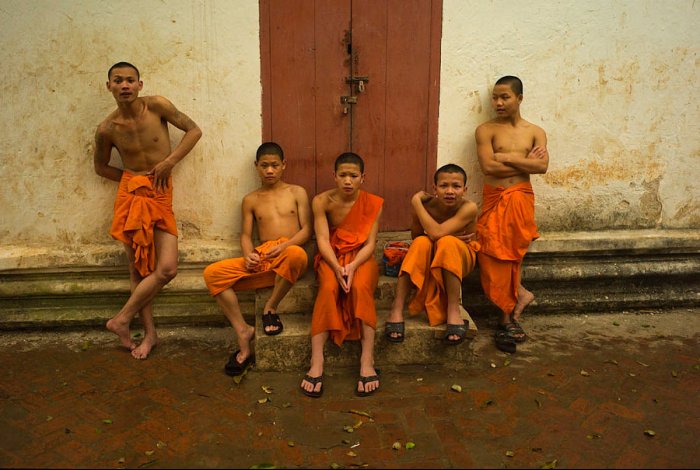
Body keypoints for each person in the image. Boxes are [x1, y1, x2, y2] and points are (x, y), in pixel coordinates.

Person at [94, 62, 202, 359]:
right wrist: (133, 181)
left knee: (166, 269)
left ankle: (122, 319)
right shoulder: (107, 129)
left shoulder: (157, 106)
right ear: (109, 87)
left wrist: (170, 162)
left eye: (130, 80)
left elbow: (194, 131)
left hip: (161, 191)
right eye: (118, 80)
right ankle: (150, 334)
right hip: (131, 194)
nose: (125, 85)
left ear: (140, 85)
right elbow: (100, 167)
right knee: (138, 269)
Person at [203, 142, 312, 376]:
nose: (270, 171)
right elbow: (245, 235)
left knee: (296, 254)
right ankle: (243, 331)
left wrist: (284, 245)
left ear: (284, 165)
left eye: (274, 165)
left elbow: (306, 231)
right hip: (264, 259)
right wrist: (249, 255)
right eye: (264, 166)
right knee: (212, 274)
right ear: (256, 167)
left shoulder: (297, 192)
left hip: (289, 256)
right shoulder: (251, 199)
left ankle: (270, 307)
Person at [300, 152, 384, 398]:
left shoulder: (373, 202)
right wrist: (337, 268)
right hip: (331, 255)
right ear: (334, 176)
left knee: (360, 288)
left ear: (363, 178)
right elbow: (323, 239)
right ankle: (317, 363)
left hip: (361, 257)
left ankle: (367, 362)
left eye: (353, 176)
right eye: (343, 175)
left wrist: (353, 265)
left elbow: (370, 244)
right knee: (327, 288)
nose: (348, 180)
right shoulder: (321, 201)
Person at [474, 75, 549, 351]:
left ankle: (506, 319)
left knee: (511, 256)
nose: (498, 102)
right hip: (495, 198)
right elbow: (488, 168)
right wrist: (523, 162)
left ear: (519, 98)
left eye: (504, 97)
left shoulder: (535, 132)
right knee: (489, 251)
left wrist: (505, 157)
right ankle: (519, 294)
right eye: (495, 97)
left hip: (519, 199)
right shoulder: (486, 130)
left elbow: (541, 168)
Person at [384, 164, 479, 345]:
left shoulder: (469, 207)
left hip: (462, 257)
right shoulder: (425, 207)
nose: (450, 191)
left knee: (447, 242)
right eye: (444, 186)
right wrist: (438, 230)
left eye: (456, 186)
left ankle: (453, 309)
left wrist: (415, 202)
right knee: (421, 243)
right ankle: (396, 307)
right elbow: (418, 237)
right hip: (433, 253)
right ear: (434, 188)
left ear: (465, 189)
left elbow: (435, 234)